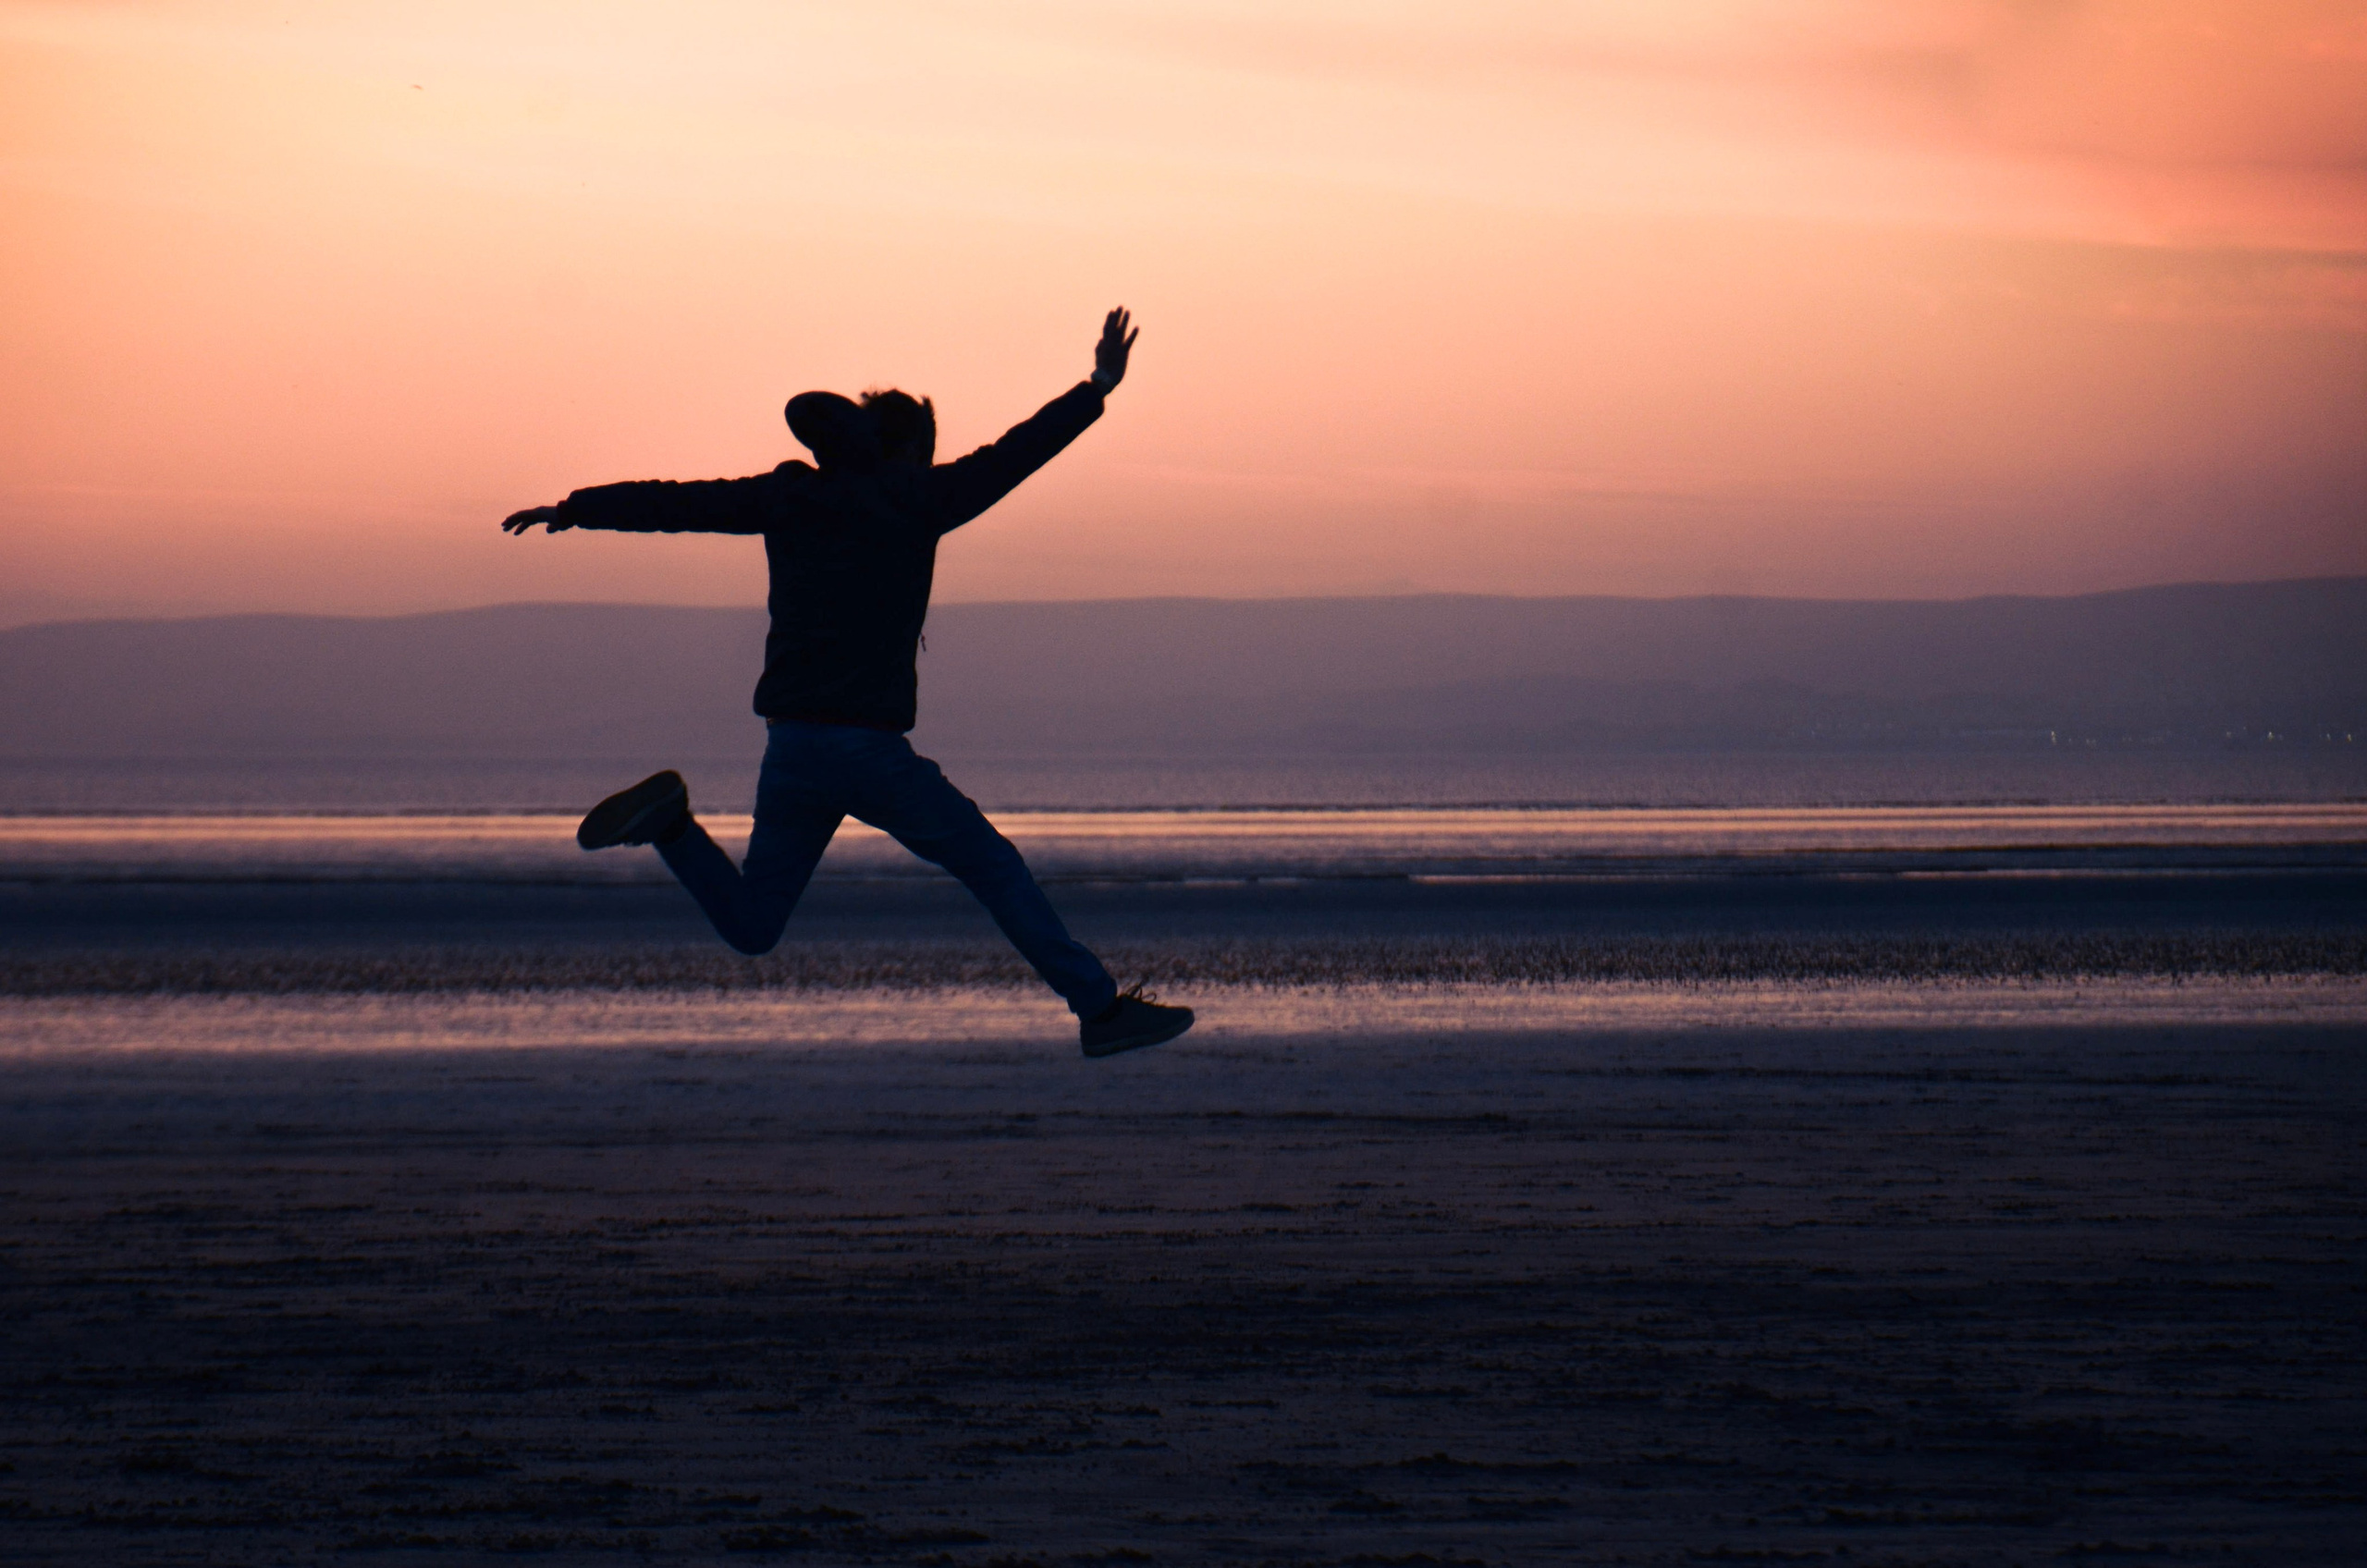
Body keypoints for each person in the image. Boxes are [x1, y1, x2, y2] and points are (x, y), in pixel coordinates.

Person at [501, 308, 1192, 1059]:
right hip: (867, 752)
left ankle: (672, 825)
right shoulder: (918, 501)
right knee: (992, 865)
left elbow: (679, 501)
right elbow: (1018, 453)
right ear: (906, 449)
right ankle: (1098, 1009)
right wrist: (1096, 387)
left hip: (792, 747)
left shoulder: (789, 495)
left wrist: (576, 508)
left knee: (755, 927)